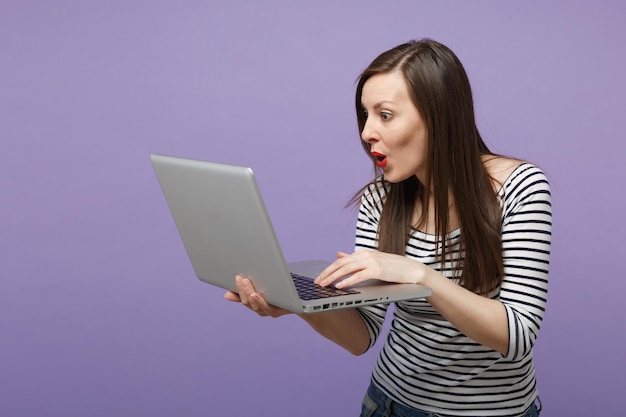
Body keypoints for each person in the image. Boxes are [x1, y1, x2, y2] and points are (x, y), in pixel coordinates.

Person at [225, 38, 552, 417]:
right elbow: (361, 335)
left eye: (385, 114)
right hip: (389, 404)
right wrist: (298, 304)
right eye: (365, 115)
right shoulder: (382, 198)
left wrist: (418, 276)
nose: (366, 132)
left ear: (439, 116)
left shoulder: (519, 187)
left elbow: (517, 334)